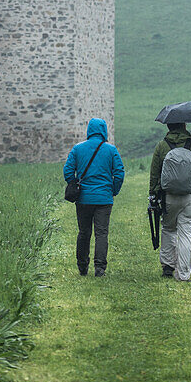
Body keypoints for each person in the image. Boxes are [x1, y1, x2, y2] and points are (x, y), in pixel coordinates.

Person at [149, 121, 191, 281]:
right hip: (190, 197)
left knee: (169, 229)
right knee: (186, 234)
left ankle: (168, 267)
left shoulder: (162, 146)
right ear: (184, 126)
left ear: (168, 126)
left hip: (168, 196)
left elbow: (155, 174)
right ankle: (183, 274)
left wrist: (153, 195)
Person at [63, 117, 125, 277]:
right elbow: (119, 173)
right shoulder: (111, 150)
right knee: (101, 233)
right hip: (104, 199)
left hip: (83, 199)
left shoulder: (77, 149)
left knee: (84, 232)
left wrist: (74, 183)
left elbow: (68, 170)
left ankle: (82, 266)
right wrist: (113, 190)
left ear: (89, 130)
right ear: (104, 131)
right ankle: (100, 268)